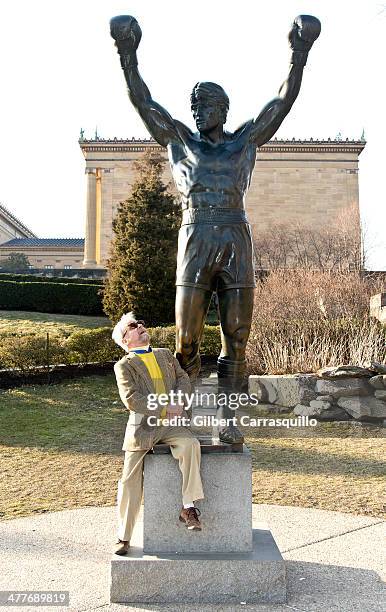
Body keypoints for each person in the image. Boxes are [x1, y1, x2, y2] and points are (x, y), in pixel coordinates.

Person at [110, 14, 321, 444]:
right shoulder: (181, 142)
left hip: (235, 237)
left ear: (222, 109)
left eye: (204, 106)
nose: (196, 112)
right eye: (194, 106)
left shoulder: (244, 141)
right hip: (196, 236)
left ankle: (230, 420)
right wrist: (127, 53)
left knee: (237, 338)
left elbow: (281, 103)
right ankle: (183, 416)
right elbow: (143, 101)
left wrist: (299, 54)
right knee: (186, 338)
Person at [112, 312, 204, 555]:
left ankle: (188, 508)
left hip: (172, 424)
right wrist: (165, 407)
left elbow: (183, 380)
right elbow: (132, 399)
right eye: (133, 326)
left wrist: (178, 402)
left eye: (140, 323)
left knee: (191, 445)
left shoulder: (165, 355)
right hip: (142, 429)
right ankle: (123, 536)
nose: (141, 326)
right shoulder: (124, 365)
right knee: (129, 482)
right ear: (125, 340)